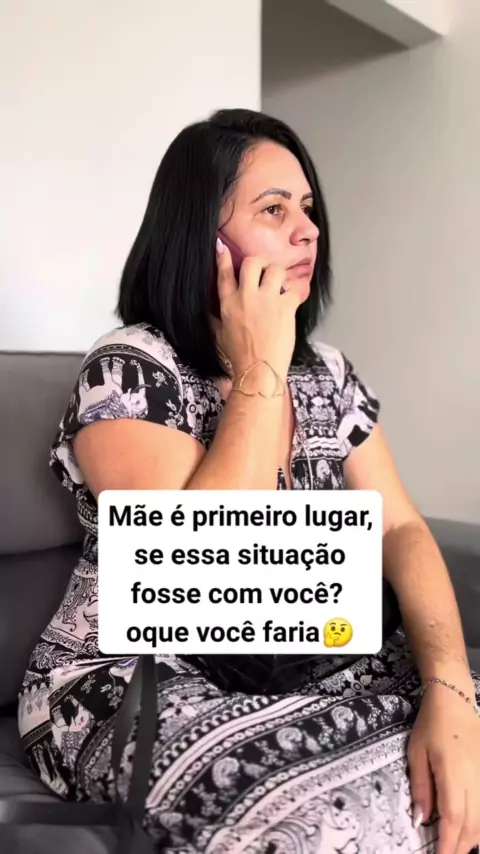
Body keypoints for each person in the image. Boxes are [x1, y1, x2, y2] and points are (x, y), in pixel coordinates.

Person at [18, 108, 480, 854]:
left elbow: (399, 528)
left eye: (308, 208)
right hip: (142, 678)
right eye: (274, 210)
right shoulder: (132, 367)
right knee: (320, 823)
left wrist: (450, 694)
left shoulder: (328, 374)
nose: (309, 231)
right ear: (202, 236)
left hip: (321, 663)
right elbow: (191, 567)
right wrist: (260, 366)